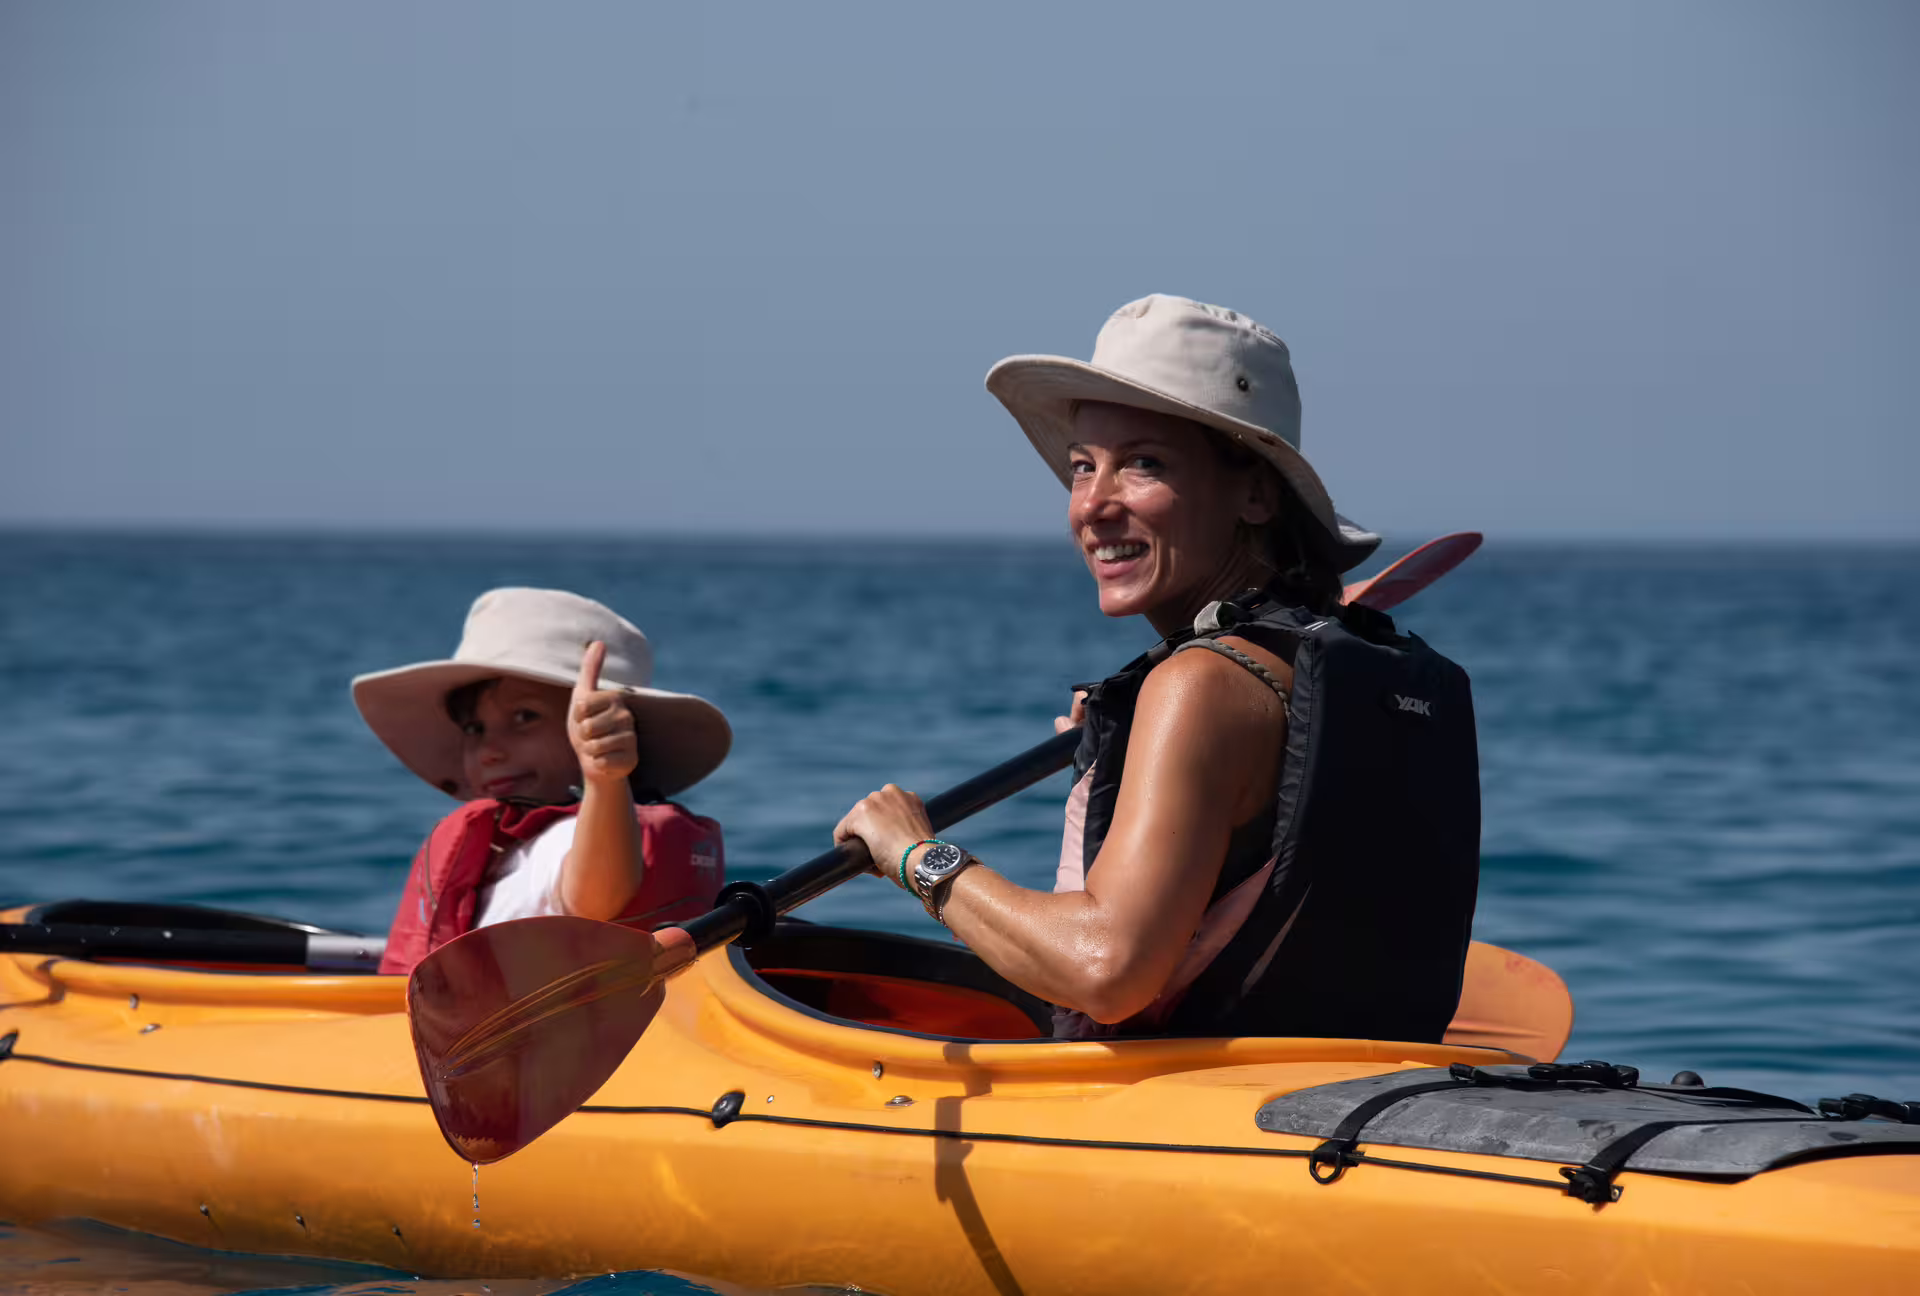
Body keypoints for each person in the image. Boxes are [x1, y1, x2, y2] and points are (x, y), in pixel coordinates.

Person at [834, 294, 1480, 1040]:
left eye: (1143, 464)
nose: (1095, 506)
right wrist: (1128, 753)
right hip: (1317, 1097)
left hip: (1192, 1118)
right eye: (1083, 468)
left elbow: (1107, 970)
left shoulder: (1198, 685)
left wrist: (915, 854)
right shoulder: (1311, 667)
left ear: (1255, 492)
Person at [354, 587, 732, 975]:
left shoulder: (564, 841)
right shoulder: (509, 845)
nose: (490, 751)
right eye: (474, 728)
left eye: (524, 718)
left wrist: (603, 780)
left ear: (621, 730)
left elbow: (596, 897)